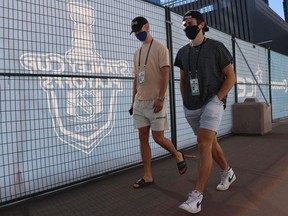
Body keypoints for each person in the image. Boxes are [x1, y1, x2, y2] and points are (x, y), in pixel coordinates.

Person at [174, 10, 237, 214]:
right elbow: (183, 79)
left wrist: (217, 100)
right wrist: (184, 101)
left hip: (212, 103)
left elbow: (231, 77)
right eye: (184, 24)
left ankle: (196, 197)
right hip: (191, 106)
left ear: (201, 24)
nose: (186, 27)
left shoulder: (216, 47)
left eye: (190, 23)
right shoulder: (183, 52)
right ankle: (227, 172)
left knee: (203, 144)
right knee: (210, 143)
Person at [129, 16, 187, 189]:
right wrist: (133, 101)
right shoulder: (137, 53)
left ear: (147, 27)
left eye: (140, 31)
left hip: (156, 101)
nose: (138, 34)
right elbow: (136, 79)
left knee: (158, 138)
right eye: (136, 32)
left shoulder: (161, 48)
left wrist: (161, 98)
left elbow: (165, 75)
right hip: (140, 102)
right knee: (142, 137)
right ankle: (147, 176)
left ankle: (177, 154)